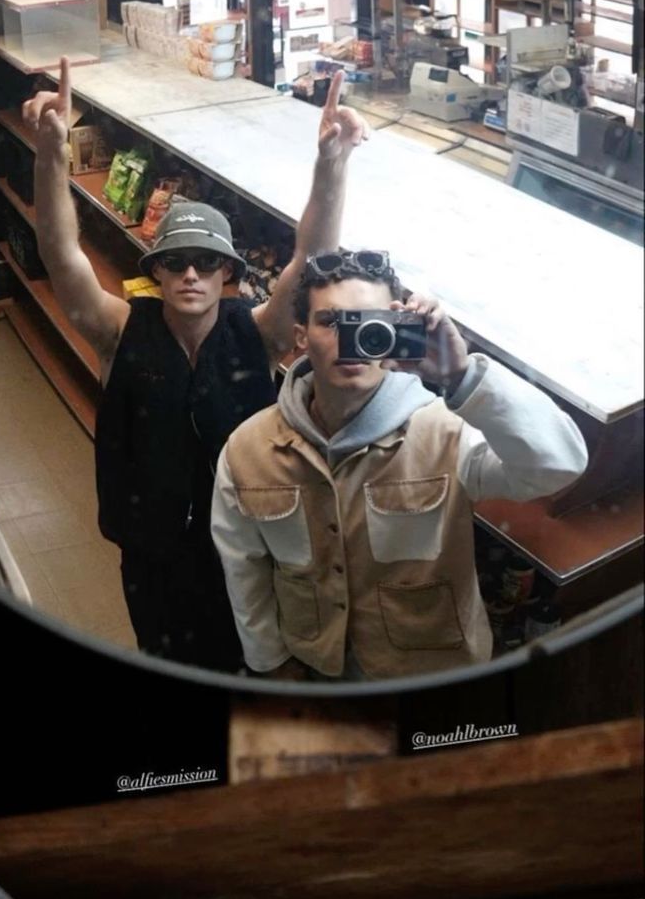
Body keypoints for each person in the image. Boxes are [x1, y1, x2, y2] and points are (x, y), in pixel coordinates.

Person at [23, 60, 368, 671]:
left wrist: (332, 163)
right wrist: (50, 155)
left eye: (206, 263)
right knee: (165, 659)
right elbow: (60, 252)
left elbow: (313, 256)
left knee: (253, 658)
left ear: (228, 274)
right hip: (150, 549)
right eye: (176, 260)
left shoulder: (258, 334)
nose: (190, 273)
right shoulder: (120, 330)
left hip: (248, 544)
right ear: (154, 269)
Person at [211, 250, 589, 681]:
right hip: (315, 668)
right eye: (332, 322)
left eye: (371, 323)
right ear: (301, 337)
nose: (351, 339)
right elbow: (245, 569)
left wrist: (460, 374)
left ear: (396, 334)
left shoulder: (446, 433)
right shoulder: (248, 451)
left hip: (431, 675)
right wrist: (271, 661)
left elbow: (559, 466)